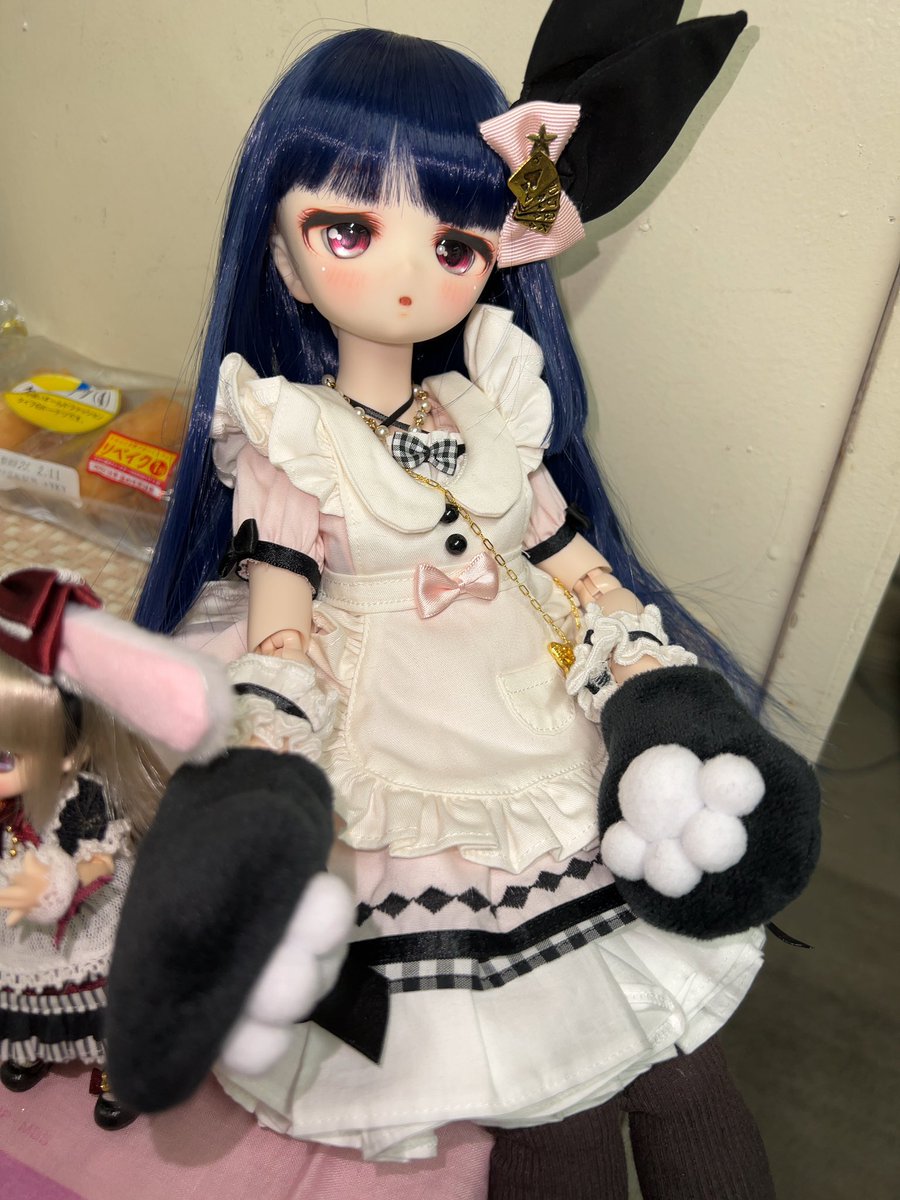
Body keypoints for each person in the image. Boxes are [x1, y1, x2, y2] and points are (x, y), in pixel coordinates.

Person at [117, 7, 820, 1197]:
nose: (407, 274)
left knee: (681, 1069)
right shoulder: (290, 431)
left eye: (453, 243)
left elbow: (565, 552)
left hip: (542, 718)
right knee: (549, 1096)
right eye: (349, 229)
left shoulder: (492, 407)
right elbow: (282, 620)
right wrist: (271, 744)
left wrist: (636, 656)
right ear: (282, 257)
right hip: (397, 738)